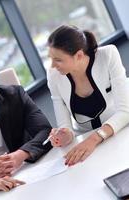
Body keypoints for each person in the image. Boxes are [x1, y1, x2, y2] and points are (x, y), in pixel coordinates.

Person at [47, 25, 129, 166]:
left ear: (79, 55)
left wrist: (94, 139)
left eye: (58, 60)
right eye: (51, 58)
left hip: (120, 131)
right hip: (87, 141)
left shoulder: (108, 55)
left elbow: (125, 111)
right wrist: (63, 135)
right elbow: (66, 126)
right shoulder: (54, 75)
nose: (53, 65)